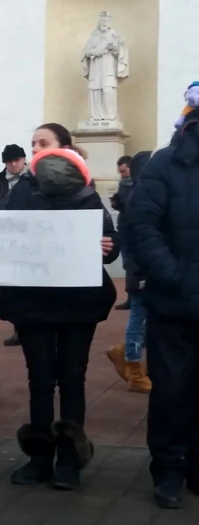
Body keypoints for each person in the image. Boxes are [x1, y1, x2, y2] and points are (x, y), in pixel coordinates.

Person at [0, 123, 118, 490]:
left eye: (44, 143)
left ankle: (69, 460)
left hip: (78, 305)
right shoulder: (22, 189)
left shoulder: (86, 193)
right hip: (32, 304)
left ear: (64, 149)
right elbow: (3, 233)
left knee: (72, 379)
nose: (36, 149)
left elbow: (110, 240)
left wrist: (108, 247)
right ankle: (39, 458)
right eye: (33, 144)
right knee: (40, 380)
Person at [124, 109, 199, 509]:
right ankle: (170, 469)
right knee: (172, 392)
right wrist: (176, 275)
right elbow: (141, 225)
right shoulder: (166, 163)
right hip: (176, 302)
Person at [106, 152, 152, 393]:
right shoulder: (137, 202)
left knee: (148, 318)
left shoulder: (139, 198)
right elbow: (137, 242)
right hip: (141, 271)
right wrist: (141, 272)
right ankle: (133, 368)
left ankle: (125, 352)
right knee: (139, 318)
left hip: (144, 269)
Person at [0, 144, 29, 349]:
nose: (14, 165)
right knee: (13, 284)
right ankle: (18, 328)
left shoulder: (35, 178)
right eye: (10, 161)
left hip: (32, 237)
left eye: (17, 160)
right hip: (8, 237)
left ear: (24, 159)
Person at [111, 155, 134, 310]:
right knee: (127, 264)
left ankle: (135, 296)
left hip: (134, 227)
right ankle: (130, 296)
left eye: (124, 171)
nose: (122, 175)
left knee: (133, 264)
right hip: (124, 226)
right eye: (120, 172)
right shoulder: (122, 184)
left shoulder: (139, 184)